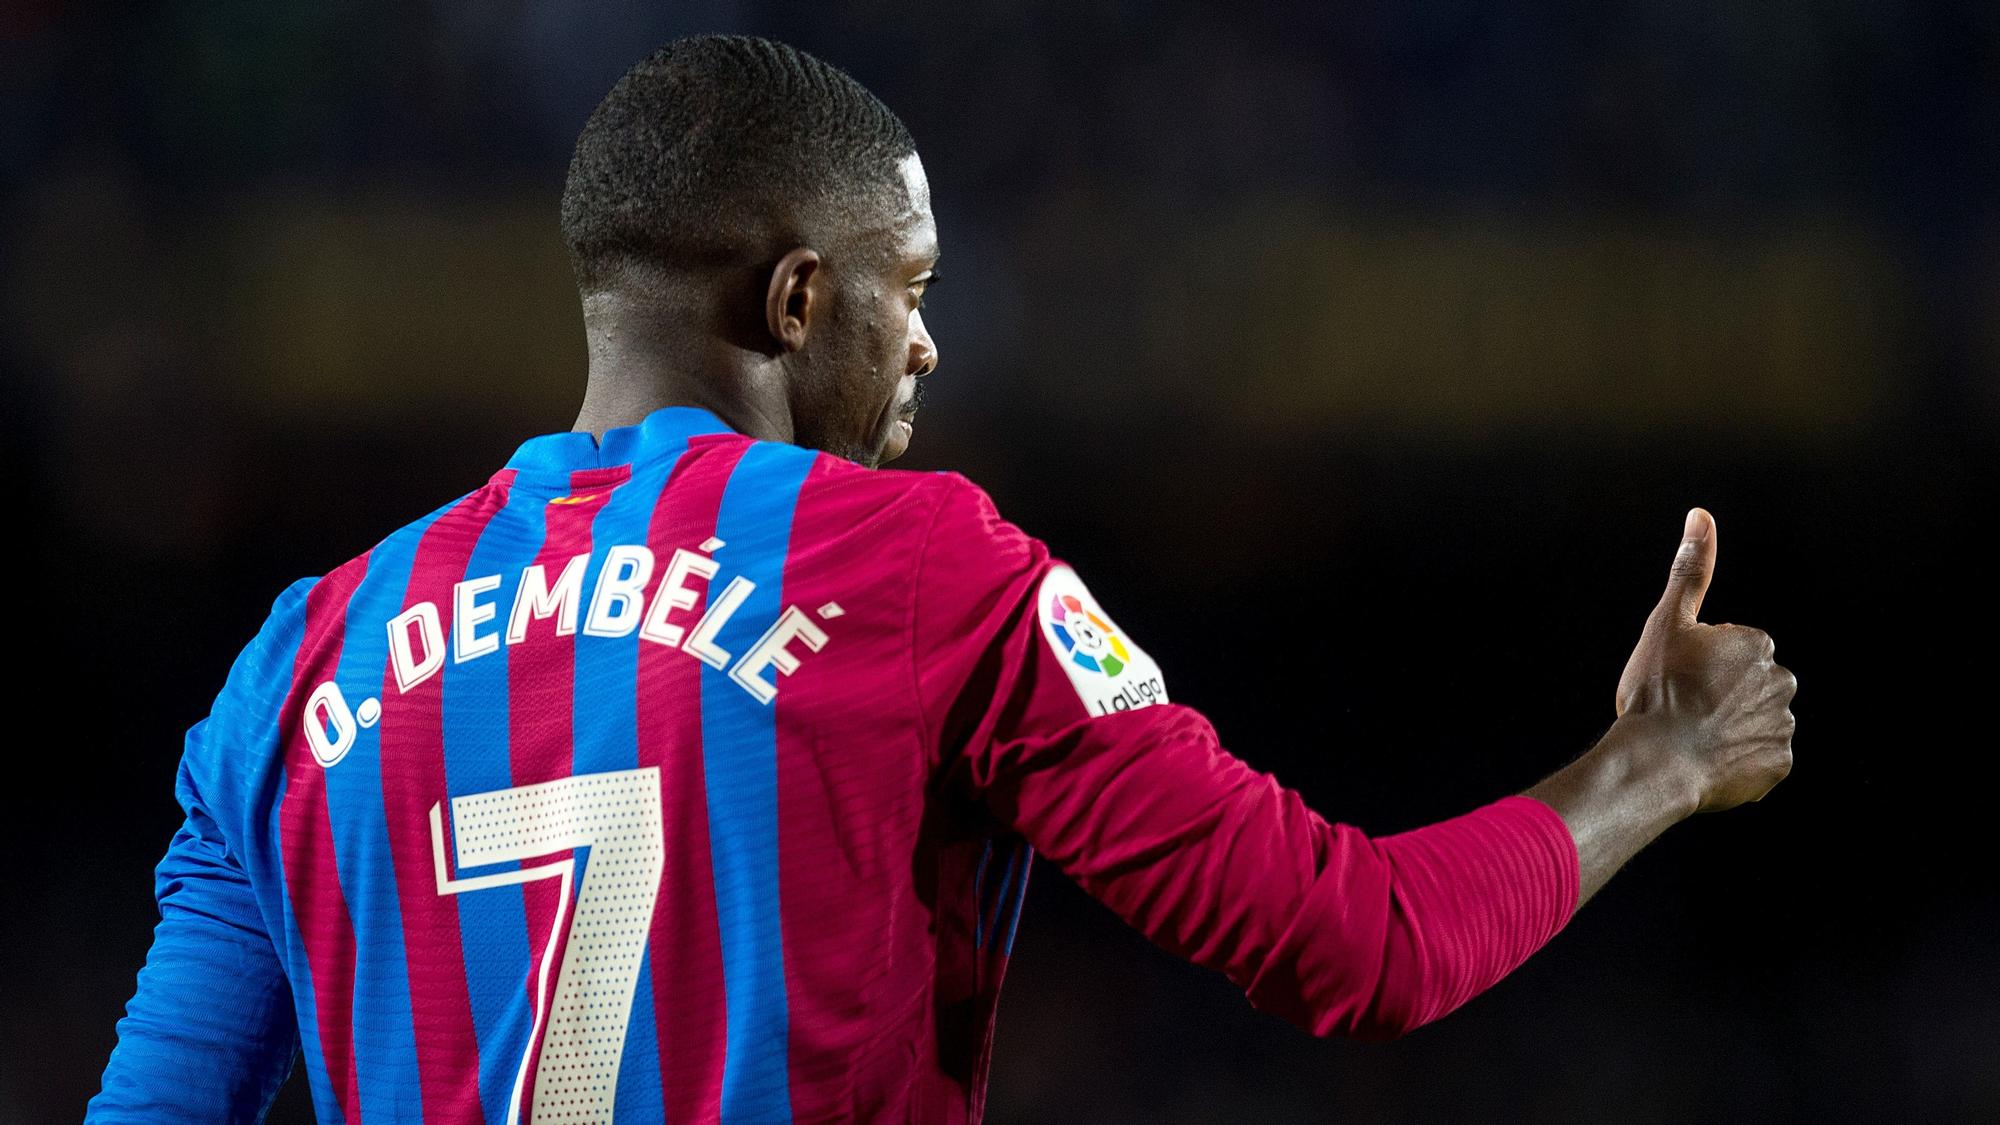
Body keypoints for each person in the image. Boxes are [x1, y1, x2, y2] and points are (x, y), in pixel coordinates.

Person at [87, 33, 1796, 1125]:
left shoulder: (298, 663)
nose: (932, 343)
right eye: (912, 287)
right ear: (798, 302)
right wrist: (1657, 760)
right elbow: (1362, 944)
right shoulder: (921, 571)